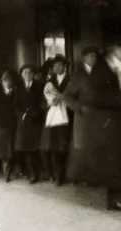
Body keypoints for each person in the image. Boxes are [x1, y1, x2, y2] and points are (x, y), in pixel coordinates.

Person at [65, 45, 121, 212]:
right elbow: (67, 96)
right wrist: (79, 107)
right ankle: (91, 191)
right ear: (83, 58)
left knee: (113, 159)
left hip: (106, 121)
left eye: (94, 56)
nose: (93, 58)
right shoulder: (78, 76)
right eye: (89, 56)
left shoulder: (104, 73)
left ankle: (114, 198)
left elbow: (113, 94)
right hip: (86, 122)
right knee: (90, 158)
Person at [40, 54, 72, 186]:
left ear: (65, 66)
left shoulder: (71, 80)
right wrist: (49, 104)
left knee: (66, 147)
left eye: (60, 65)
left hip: (68, 118)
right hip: (53, 119)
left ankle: (68, 175)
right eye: (55, 66)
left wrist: (65, 100)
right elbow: (42, 101)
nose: (57, 67)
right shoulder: (49, 82)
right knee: (54, 148)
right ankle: (58, 176)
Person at [14, 65, 46, 184]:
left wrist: (35, 113)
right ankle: (33, 173)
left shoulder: (40, 86)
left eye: (29, 72)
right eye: (25, 72)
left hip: (36, 121)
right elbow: (15, 105)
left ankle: (41, 172)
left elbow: (43, 102)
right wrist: (22, 115)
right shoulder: (18, 88)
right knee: (26, 149)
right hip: (23, 123)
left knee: (37, 149)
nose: (27, 74)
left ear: (33, 74)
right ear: (22, 75)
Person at [0, 70, 17, 183]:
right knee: (5, 151)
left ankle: (14, 170)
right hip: (3, 127)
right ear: (2, 82)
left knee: (13, 149)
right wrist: (0, 124)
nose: (7, 83)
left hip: (15, 126)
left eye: (9, 81)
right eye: (5, 81)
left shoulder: (15, 93)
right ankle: (6, 172)